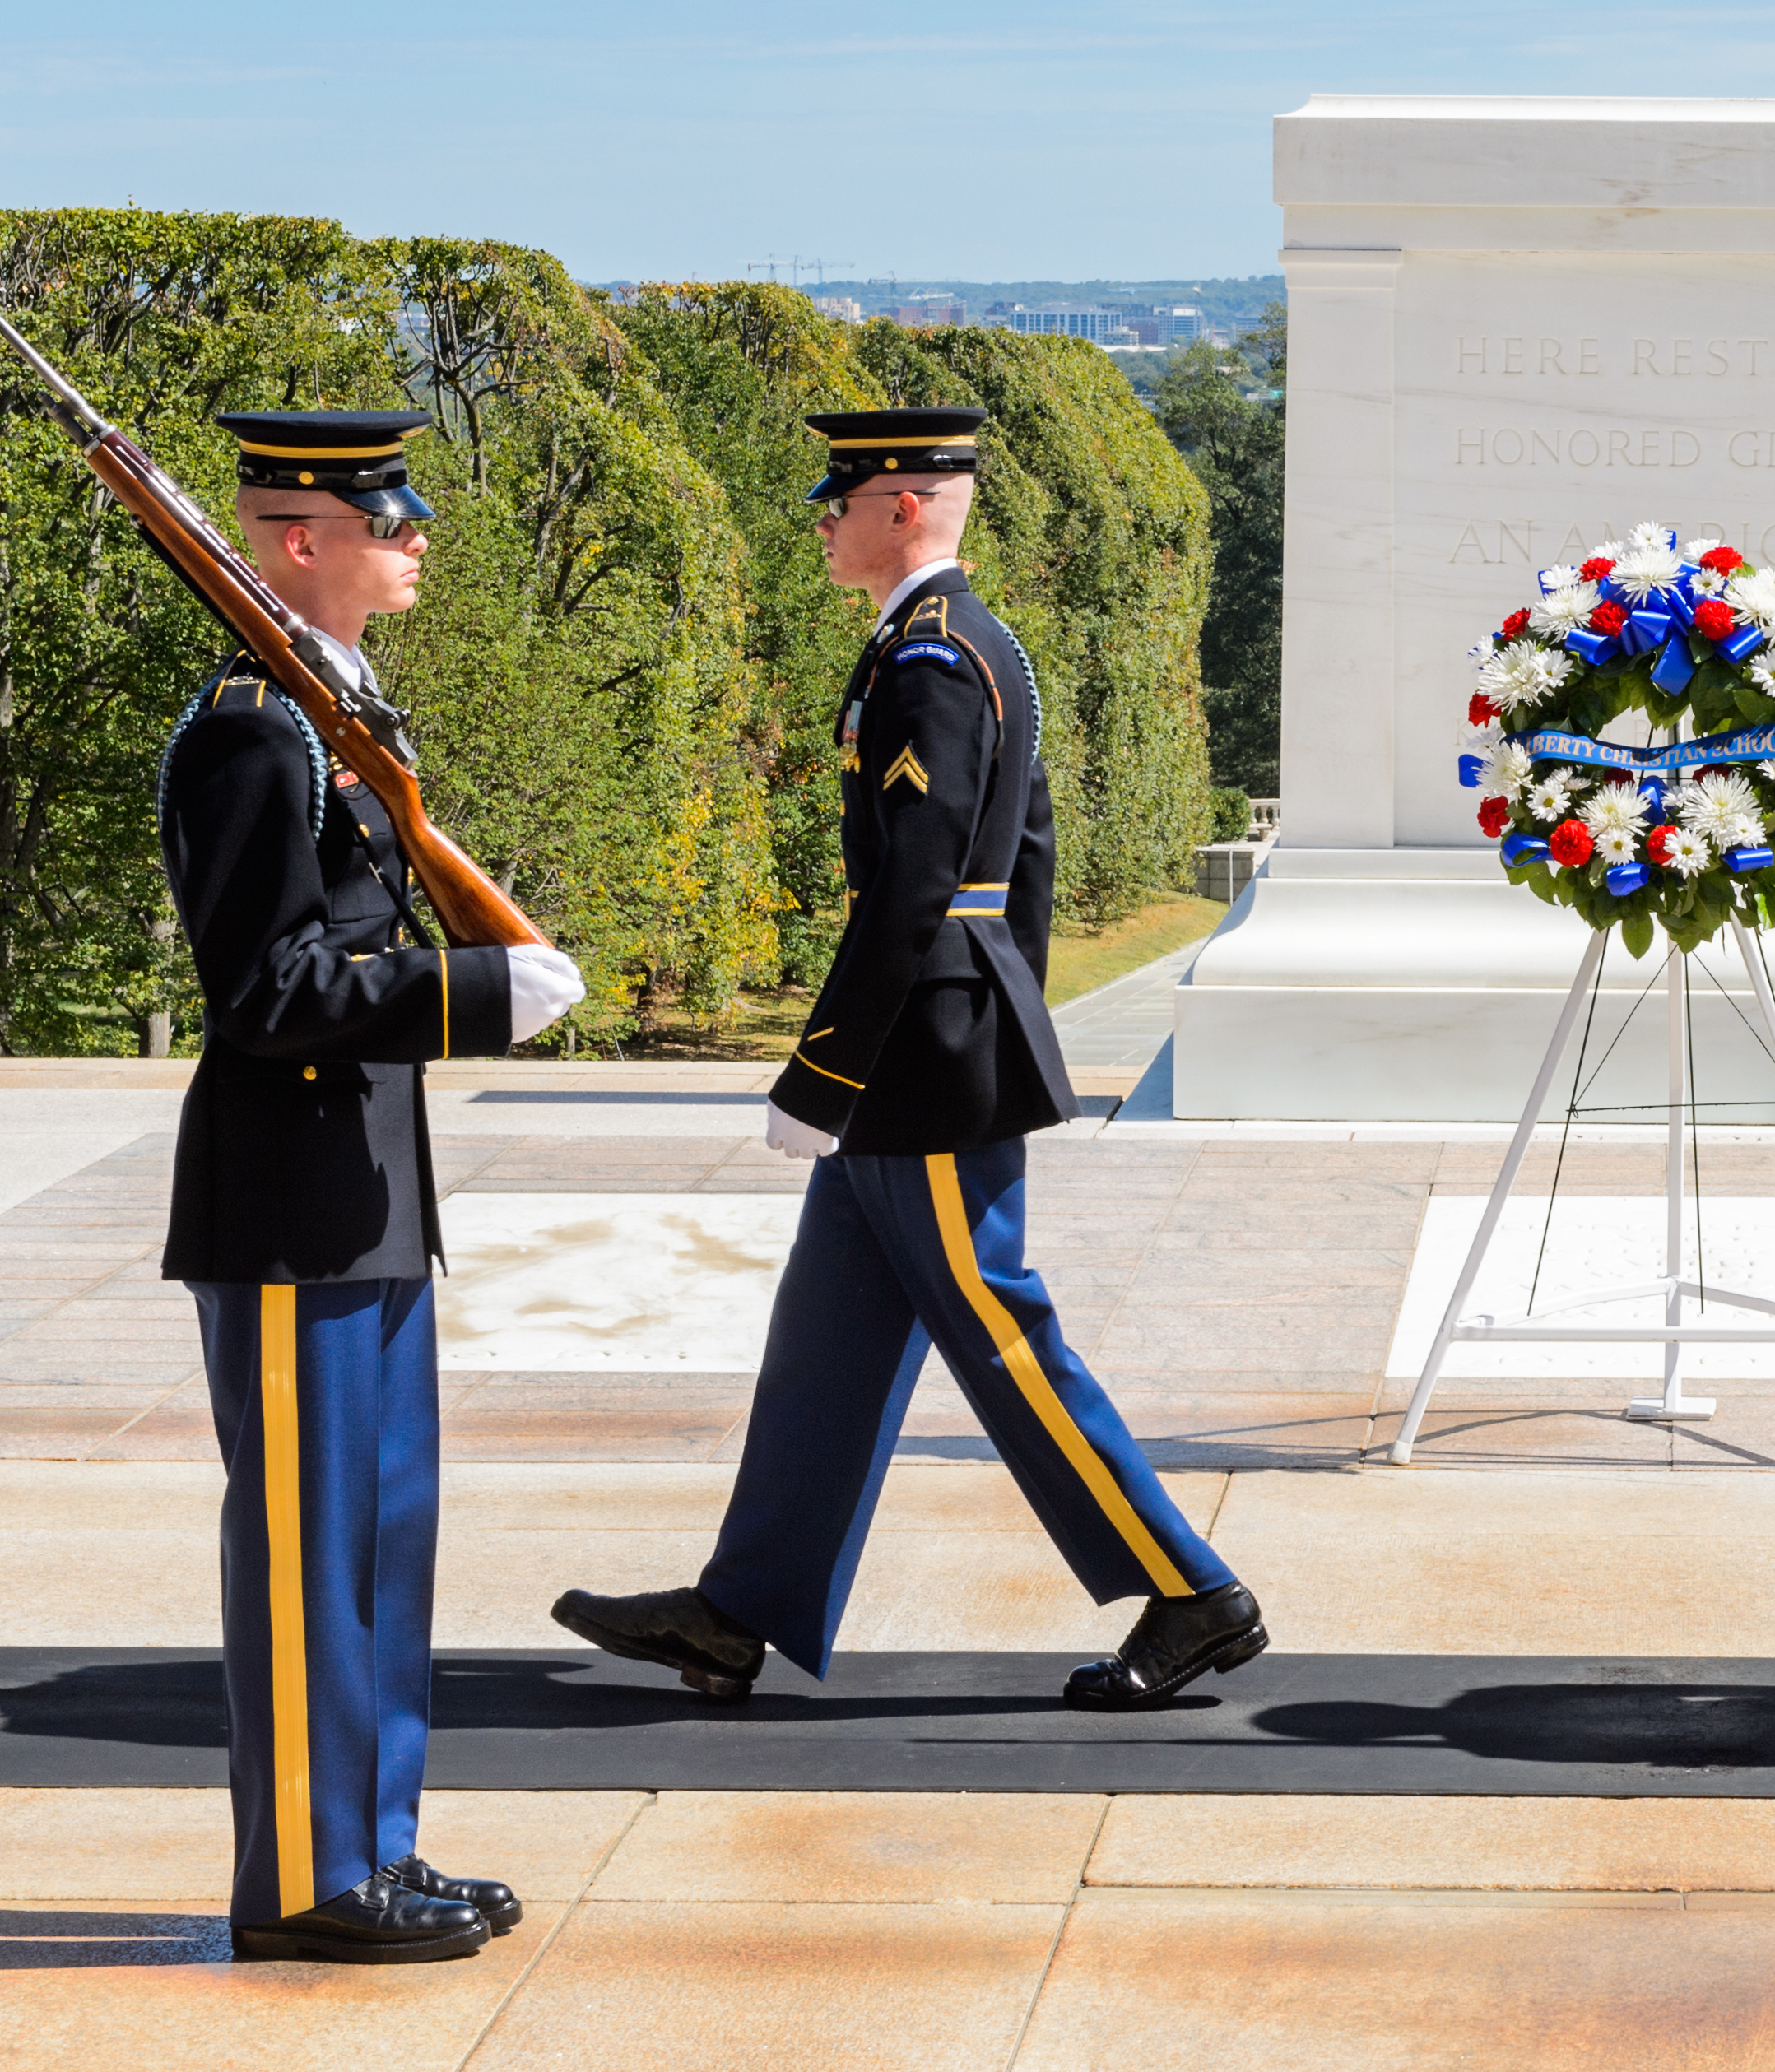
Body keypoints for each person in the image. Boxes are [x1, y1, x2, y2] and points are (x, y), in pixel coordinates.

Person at [551, 407, 1263, 1712]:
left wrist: (825, 1072)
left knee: (999, 1329)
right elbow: (1025, 862)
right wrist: (1009, 1006)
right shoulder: (947, 646)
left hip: (921, 1054)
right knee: (827, 1336)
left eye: (842, 496)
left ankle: (1192, 1589)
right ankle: (738, 1611)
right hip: (944, 1030)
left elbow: (915, 890)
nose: (822, 518)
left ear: (908, 506)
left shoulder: (934, 658)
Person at [161, 410, 587, 1962]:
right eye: (386, 519)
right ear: (294, 544)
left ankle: (374, 1850)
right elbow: (265, 994)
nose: (416, 538)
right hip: (286, 1201)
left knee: (381, 1534)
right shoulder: (249, 735)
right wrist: (467, 994)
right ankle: (301, 1884)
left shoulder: (329, 714)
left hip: (362, 1190)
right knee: (307, 1548)